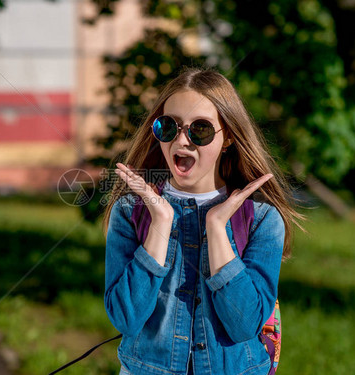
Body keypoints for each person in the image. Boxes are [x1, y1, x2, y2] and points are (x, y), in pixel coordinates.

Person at [102, 67, 303, 375]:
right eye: (168, 126)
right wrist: (160, 222)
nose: (182, 141)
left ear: (229, 138)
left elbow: (244, 324)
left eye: (200, 129)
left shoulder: (261, 219)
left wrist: (216, 228)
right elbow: (126, 318)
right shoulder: (131, 211)